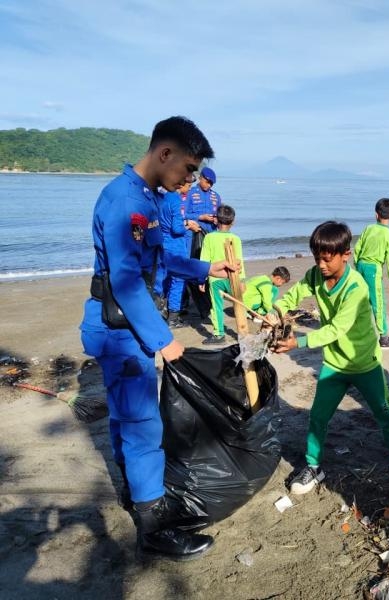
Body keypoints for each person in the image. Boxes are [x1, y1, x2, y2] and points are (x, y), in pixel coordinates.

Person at [79, 116, 238, 561]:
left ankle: (135, 490)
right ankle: (154, 525)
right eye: (188, 169)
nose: (189, 180)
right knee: (143, 423)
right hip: (120, 328)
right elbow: (127, 280)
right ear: (165, 153)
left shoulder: (148, 198)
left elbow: (161, 259)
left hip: (124, 323)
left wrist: (206, 268)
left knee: (125, 416)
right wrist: (163, 341)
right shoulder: (125, 202)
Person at [267, 221, 389, 494]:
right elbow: (294, 295)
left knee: (385, 413)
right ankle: (314, 467)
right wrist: (276, 311)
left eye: (327, 259)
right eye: (317, 258)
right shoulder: (315, 275)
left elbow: (337, 329)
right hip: (334, 364)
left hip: (364, 363)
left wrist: (298, 342)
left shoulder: (356, 287)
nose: (321, 265)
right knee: (318, 416)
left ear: (345, 254)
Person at [354, 197, 389, 348]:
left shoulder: (368, 228)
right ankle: (384, 338)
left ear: (376, 214)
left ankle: (358, 331)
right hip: (373, 268)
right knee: (378, 303)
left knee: (361, 300)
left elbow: (357, 248)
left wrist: (357, 265)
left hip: (361, 265)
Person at [199, 204, 244, 345]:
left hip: (215, 279)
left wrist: (201, 279)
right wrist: (242, 280)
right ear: (233, 222)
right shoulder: (236, 238)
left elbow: (204, 261)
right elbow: (240, 261)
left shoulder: (209, 238)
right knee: (239, 304)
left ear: (216, 220)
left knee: (216, 306)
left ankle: (219, 334)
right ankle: (242, 332)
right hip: (233, 277)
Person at [156, 180, 199, 328]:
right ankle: (173, 317)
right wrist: (188, 225)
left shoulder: (162, 196)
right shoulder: (176, 200)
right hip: (175, 245)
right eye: (189, 185)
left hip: (163, 243)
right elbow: (177, 228)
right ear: (182, 184)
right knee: (178, 280)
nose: (190, 188)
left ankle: (162, 311)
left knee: (165, 279)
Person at [184, 166, 221, 320]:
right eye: (207, 182)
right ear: (201, 178)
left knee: (210, 269)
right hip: (194, 236)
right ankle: (188, 302)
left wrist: (216, 219)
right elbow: (184, 214)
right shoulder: (190, 193)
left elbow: (220, 215)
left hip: (210, 236)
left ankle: (209, 302)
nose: (209, 185)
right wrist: (201, 217)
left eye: (211, 183)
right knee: (193, 267)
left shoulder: (215, 196)